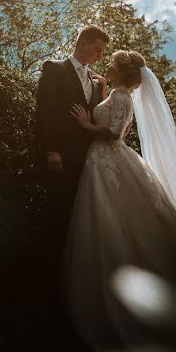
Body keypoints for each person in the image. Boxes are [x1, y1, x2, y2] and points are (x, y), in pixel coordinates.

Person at [64, 50, 176, 352]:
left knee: (117, 221)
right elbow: (113, 113)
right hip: (103, 161)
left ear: (121, 72)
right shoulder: (116, 93)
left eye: (112, 66)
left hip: (109, 160)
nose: (107, 67)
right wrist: (103, 89)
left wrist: (85, 124)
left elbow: (115, 132)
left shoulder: (124, 98)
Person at [34, 24, 113, 333]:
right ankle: (55, 289)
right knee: (60, 215)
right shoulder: (54, 68)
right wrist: (51, 150)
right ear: (83, 43)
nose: (99, 55)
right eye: (97, 48)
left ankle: (80, 283)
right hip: (62, 158)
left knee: (82, 218)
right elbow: (45, 111)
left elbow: (96, 116)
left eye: (103, 51)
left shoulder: (96, 80)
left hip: (89, 160)